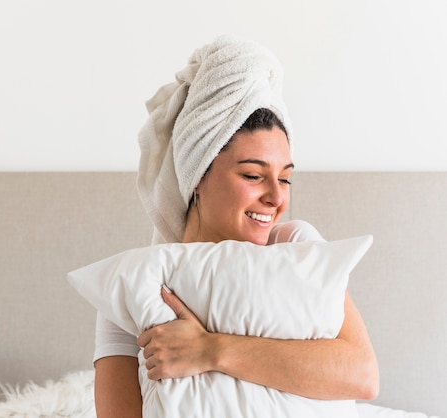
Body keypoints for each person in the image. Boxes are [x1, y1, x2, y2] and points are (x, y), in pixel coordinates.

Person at [93, 36, 379, 418]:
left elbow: (362, 376)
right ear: (196, 176)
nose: (277, 197)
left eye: (286, 178)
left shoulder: (295, 248)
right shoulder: (136, 285)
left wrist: (211, 350)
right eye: (253, 175)